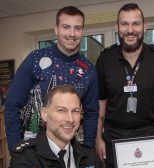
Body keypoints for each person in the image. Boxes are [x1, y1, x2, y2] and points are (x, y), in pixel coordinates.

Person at [95, 3, 154, 168]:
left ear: (144, 27)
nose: (130, 30)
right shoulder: (105, 59)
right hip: (113, 138)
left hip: (148, 135)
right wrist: (98, 138)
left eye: (135, 24)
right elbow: (100, 102)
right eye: (124, 24)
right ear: (117, 27)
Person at [4, 6, 99, 151]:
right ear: (56, 29)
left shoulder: (88, 69)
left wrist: (87, 149)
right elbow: (12, 105)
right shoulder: (35, 59)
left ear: (82, 31)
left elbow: (91, 113)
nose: (72, 33)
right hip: (33, 149)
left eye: (77, 28)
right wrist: (16, 148)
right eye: (66, 27)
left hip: (73, 149)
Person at [5, 85, 107, 168]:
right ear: (44, 114)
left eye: (75, 111)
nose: (70, 119)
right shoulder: (24, 157)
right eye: (61, 110)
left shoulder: (90, 157)